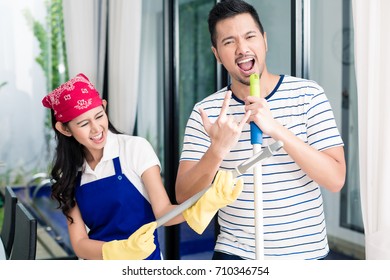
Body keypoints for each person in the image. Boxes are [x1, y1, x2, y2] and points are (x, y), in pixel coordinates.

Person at [175, 0, 346, 260]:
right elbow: (184, 195)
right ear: (217, 54)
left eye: (249, 36)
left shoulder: (308, 95)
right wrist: (217, 150)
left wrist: (276, 129)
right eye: (229, 42)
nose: (242, 49)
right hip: (236, 255)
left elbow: (335, 179)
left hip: (306, 255)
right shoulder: (207, 112)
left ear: (264, 41)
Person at [41, 73, 243, 260]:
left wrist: (205, 204)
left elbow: (163, 213)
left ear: (104, 106)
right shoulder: (70, 173)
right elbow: (79, 244)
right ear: (64, 129)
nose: (96, 129)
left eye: (99, 116)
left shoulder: (134, 149)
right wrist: (118, 251)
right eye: (83, 124)